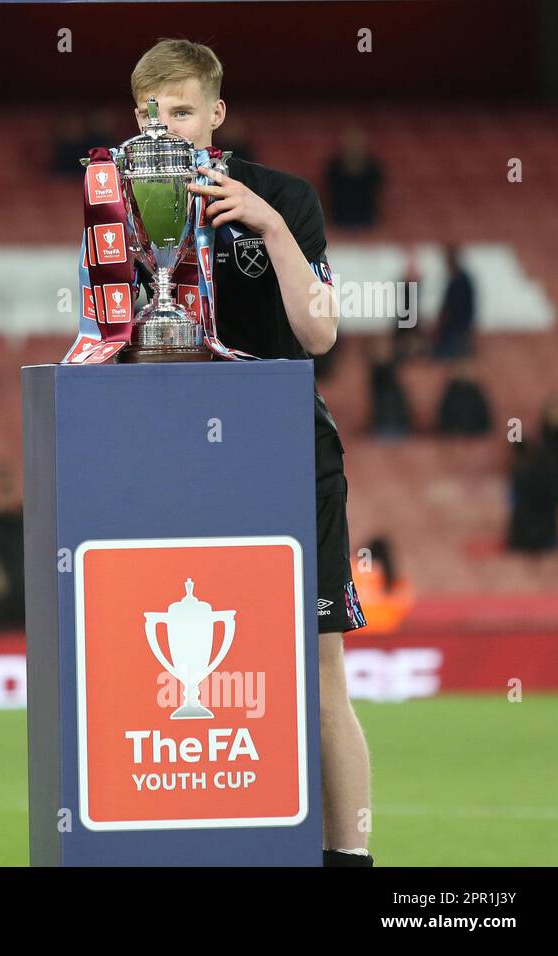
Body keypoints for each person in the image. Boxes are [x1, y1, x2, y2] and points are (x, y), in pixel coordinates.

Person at [90, 39, 372, 865]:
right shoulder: (116, 203)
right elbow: (108, 337)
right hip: (172, 458)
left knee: (321, 681)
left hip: (282, 452)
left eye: (180, 111)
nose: (164, 127)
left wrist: (273, 227)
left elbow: (320, 331)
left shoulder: (286, 196)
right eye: (149, 114)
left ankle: (349, 860)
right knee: (180, 682)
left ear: (215, 115)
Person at [324, 127, 383, 229]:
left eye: (357, 143)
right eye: (351, 143)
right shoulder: (334, 166)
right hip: (339, 219)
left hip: (367, 219)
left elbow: (378, 190)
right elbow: (328, 189)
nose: (354, 146)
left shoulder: (374, 166)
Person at [433, 245, 475, 359]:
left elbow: (458, 307)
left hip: (457, 329)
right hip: (453, 329)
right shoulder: (456, 279)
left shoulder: (461, 280)